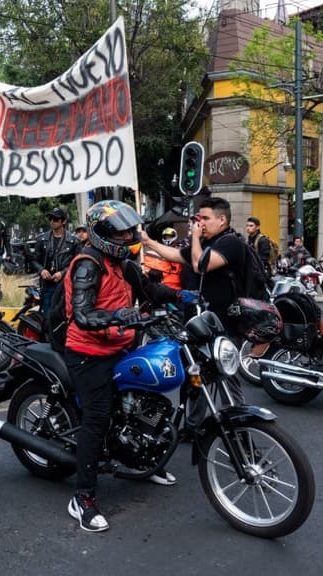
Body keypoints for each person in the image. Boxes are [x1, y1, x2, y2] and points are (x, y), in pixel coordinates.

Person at [64, 200, 196, 532]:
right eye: (121, 232)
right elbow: (82, 315)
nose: (128, 237)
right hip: (88, 352)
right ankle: (82, 498)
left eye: (128, 231)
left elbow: (150, 289)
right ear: (104, 234)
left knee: (144, 404)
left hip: (121, 345)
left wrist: (183, 297)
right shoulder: (87, 264)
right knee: (98, 419)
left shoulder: (123, 263)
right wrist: (119, 316)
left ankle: (143, 461)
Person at [143, 197, 257, 334]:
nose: (200, 223)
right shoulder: (204, 243)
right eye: (200, 218)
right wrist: (148, 241)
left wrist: (195, 237)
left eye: (206, 218)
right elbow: (176, 255)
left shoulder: (231, 242)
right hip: (199, 317)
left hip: (224, 322)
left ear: (222, 220)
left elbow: (200, 265)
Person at [32, 207, 81, 315]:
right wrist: (42, 270)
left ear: (63, 221)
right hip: (47, 284)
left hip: (65, 285)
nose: (52, 221)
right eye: (50, 219)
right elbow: (34, 260)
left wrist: (63, 273)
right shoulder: (42, 239)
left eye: (56, 219)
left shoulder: (74, 242)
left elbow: (78, 264)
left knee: (64, 314)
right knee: (48, 315)